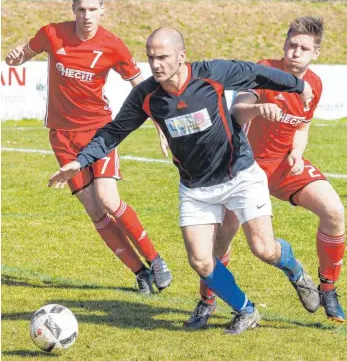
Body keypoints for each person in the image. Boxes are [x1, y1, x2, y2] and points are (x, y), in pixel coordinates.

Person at [48, 26, 318, 335]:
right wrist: (80, 161)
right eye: (151, 58)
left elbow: (256, 73)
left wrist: (298, 84)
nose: (156, 65)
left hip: (240, 174)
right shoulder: (147, 95)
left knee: (264, 249)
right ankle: (246, 309)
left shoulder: (211, 73)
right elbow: (114, 131)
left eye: (162, 57)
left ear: (182, 56)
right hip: (196, 187)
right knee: (201, 261)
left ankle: (296, 272)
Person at [187, 16, 345, 329]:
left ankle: (327, 288)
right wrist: (259, 108)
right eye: (292, 45)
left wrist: (298, 153)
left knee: (335, 212)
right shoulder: (264, 70)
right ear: (284, 46)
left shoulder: (313, 83)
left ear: (316, 53)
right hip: (244, 169)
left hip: (284, 166)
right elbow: (236, 109)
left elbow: (303, 126)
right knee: (220, 242)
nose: (296, 52)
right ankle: (207, 301)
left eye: (304, 48)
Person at [5, 0, 172, 295]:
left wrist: (161, 127)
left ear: (102, 10)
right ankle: (140, 273)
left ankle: (155, 259)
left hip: (99, 133)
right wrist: (15, 57)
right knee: (95, 211)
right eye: (81, 9)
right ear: (73, 10)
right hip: (61, 137)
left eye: (92, 9)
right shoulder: (51, 33)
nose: (87, 16)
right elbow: (21, 56)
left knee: (108, 199)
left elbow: (142, 88)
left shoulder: (112, 45)